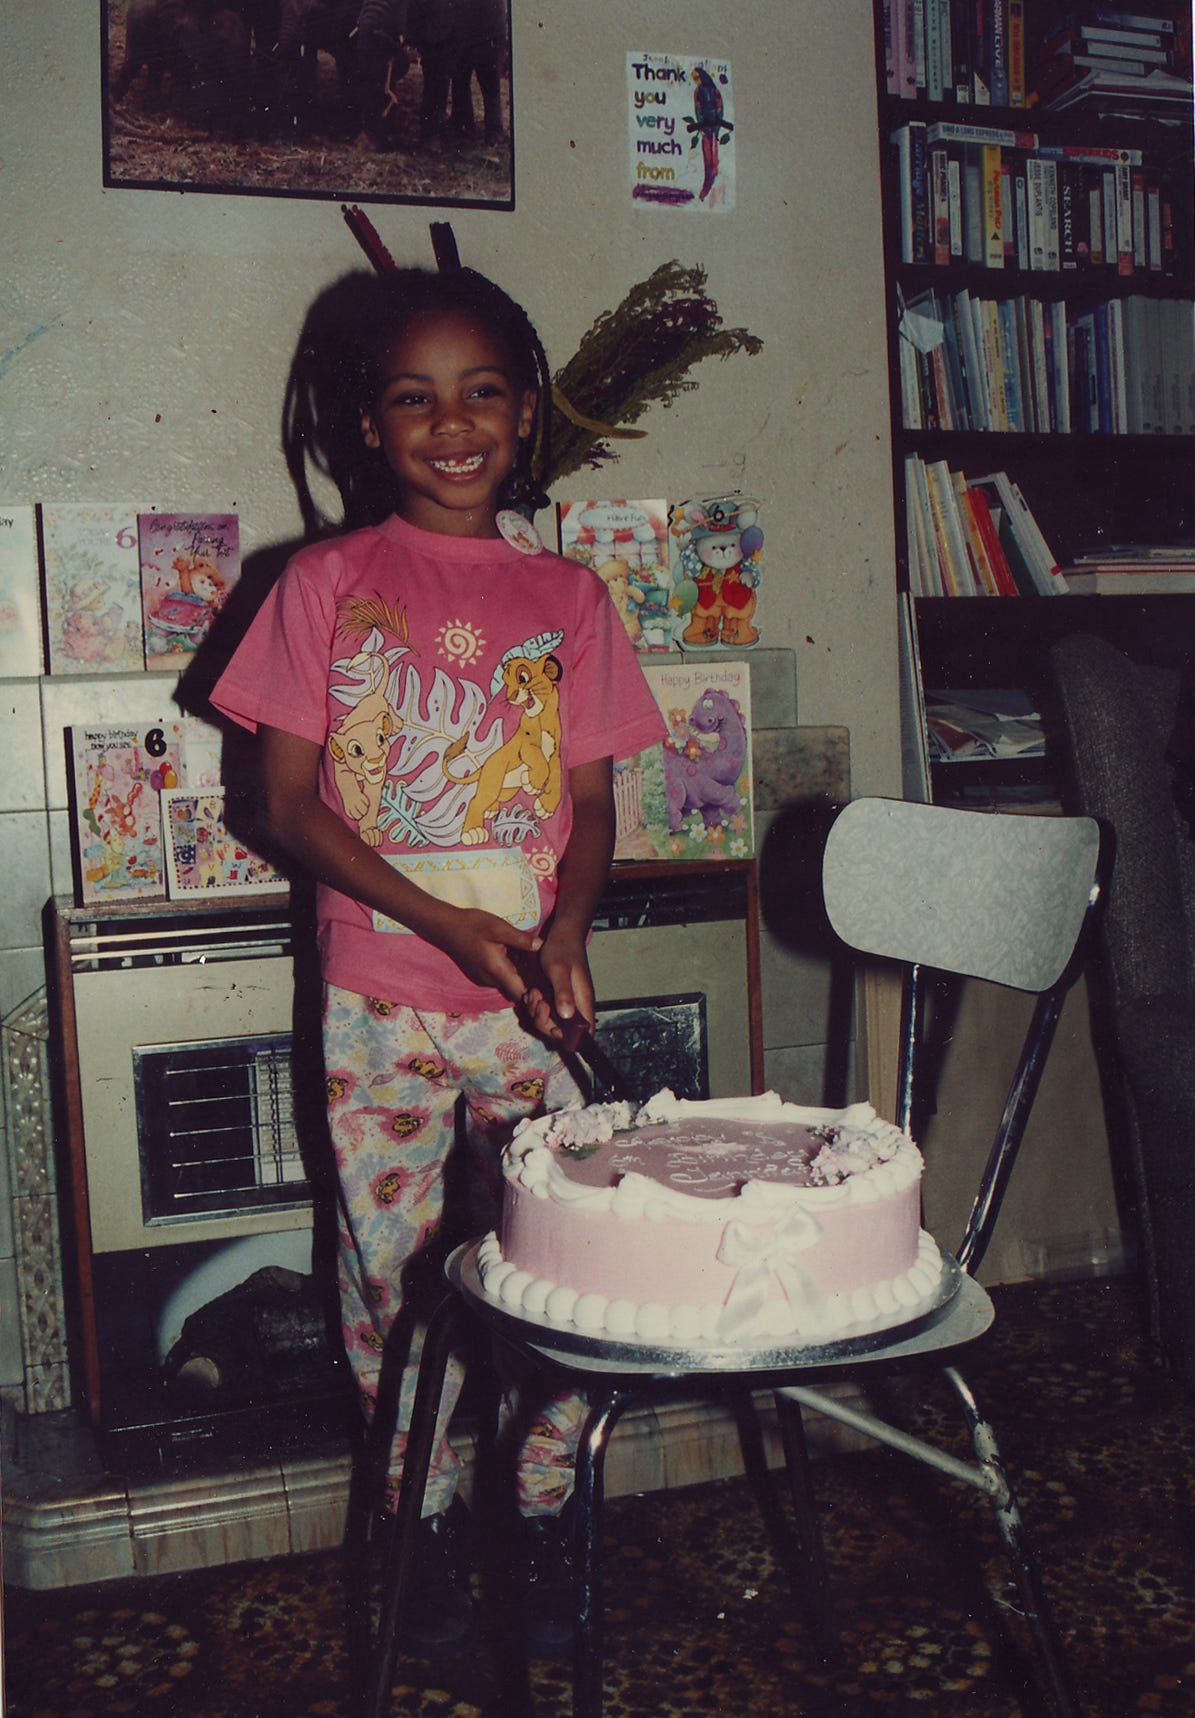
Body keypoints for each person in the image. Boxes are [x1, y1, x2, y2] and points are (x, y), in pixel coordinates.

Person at [209, 264, 665, 1656]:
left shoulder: (570, 597)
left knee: (583, 1263)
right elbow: (282, 805)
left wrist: (565, 925)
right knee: (395, 1285)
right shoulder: (322, 585)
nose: (450, 421)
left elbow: (588, 807)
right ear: (368, 424)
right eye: (415, 396)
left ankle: (541, 1506)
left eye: (480, 393)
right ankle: (425, 1537)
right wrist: (442, 920)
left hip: (535, 1007)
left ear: (525, 415)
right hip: (378, 1010)